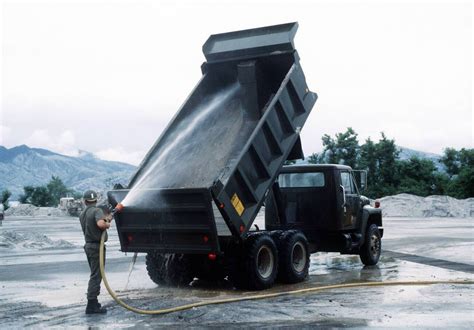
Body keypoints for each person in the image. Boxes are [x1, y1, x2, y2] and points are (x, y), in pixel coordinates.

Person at [79, 190, 112, 314]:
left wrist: (107, 219)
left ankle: (94, 302)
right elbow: (100, 225)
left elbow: (95, 223)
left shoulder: (82, 214)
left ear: (85, 201)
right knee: (96, 275)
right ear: (96, 200)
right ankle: (91, 305)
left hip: (88, 246)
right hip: (96, 247)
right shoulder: (97, 211)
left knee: (95, 273)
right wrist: (107, 223)